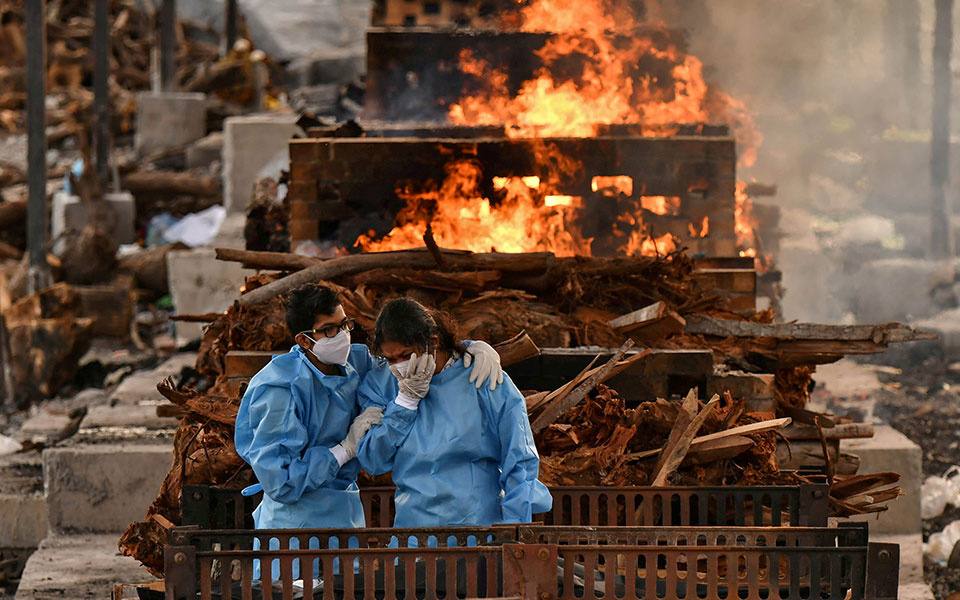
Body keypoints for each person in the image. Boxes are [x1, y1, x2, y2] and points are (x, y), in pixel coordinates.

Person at [234, 283, 505, 533]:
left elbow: (409, 354)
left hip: (346, 514)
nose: (341, 336)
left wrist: (471, 348)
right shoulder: (279, 390)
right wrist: (343, 451)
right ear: (304, 341)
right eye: (329, 330)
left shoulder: (356, 361)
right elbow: (281, 482)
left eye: (344, 325)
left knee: (344, 586)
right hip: (292, 527)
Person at [356, 298, 552, 528]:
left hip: (479, 529)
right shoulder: (383, 383)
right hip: (414, 535)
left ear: (433, 342)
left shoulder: (481, 376)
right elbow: (372, 460)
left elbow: (519, 461)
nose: (399, 365)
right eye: (390, 359)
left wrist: (514, 526)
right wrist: (404, 404)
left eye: (406, 354)